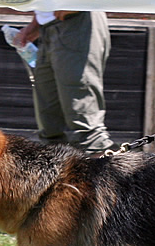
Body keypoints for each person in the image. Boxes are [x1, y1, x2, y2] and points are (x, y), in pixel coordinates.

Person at [14, 11, 118, 155]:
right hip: (48, 27)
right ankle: (57, 173)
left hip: (78, 19)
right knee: (49, 125)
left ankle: (106, 173)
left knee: (84, 123)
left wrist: (75, 4)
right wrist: (37, 22)